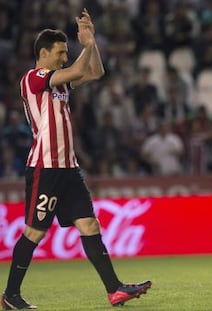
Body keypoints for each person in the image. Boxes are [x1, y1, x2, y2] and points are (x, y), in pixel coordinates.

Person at [1, 9, 151, 310]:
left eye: (65, 52)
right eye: (59, 52)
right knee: (35, 231)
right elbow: (74, 71)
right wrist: (87, 45)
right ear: (43, 53)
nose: (63, 57)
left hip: (68, 169)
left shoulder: (59, 84)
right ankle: (10, 295)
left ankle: (114, 289)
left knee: (89, 225)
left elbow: (95, 72)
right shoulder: (34, 78)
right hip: (46, 167)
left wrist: (91, 43)